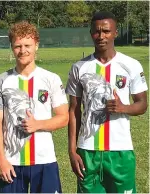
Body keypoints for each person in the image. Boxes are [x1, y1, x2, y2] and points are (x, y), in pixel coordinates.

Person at [66, 11, 148, 193]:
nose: (101, 36)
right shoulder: (79, 68)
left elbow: (142, 103)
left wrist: (123, 107)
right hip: (88, 151)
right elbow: (73, 111)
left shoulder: (132, 65)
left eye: (106, 31)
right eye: (97, 31)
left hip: (121, 151)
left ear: (115, 33)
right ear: (91, 33)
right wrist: (72, 151)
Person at [0, 21, 68, 193]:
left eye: (27, 45)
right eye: (17, 46)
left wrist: (37, 124)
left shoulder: (51, 79)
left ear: (36, 45)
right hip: (12, 162)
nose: (22, 50)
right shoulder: (0, 81)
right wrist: (1, 159)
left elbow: (64, 117)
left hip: (44, 159)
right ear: (11, 47)